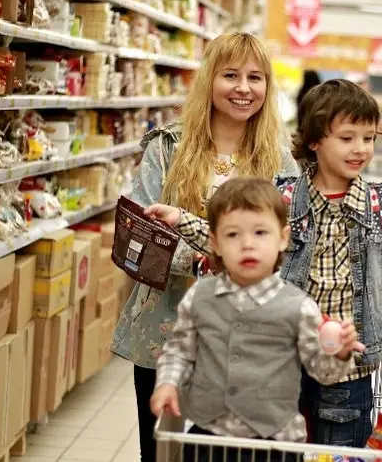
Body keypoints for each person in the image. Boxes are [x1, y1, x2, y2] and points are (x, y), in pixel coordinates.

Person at [144, 79, 382, 448]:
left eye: (368, 138)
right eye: (347, 138)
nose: (360, 148)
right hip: (283, 364)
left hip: (349, 369)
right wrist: (181, 220)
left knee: (339, 448)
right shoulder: (284, 198)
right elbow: (235, 233)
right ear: (314, 140)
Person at [110, 32, 299, 462]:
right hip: (165, 329)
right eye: (230, 75)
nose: (243, 88)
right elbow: (139, 235)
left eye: (255, 77)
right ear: (209, 79)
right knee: (163, 452)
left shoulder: (279, 160)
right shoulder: (167, 147)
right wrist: (202, 263)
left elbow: (292, 241)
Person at [150, 178, 363, 462]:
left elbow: (323, 373)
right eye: (233, 235)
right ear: (215, 243)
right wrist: (167, 384)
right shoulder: (199, 297)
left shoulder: (299, 307)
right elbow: (179, 351)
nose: (247, 244)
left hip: (275, 443)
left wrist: (340, 353)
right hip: (209, 438)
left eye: (261, 232)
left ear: (283, 238)